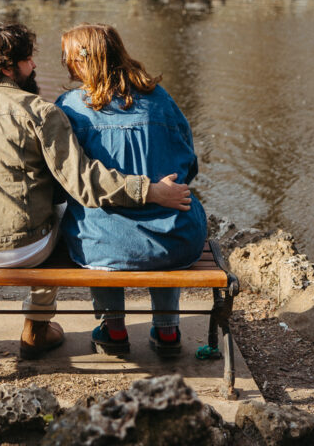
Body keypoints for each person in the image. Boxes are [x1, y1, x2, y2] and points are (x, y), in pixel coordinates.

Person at [0, 21, 191, 360]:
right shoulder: (40, 112)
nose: (35, 65)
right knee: (61, 209)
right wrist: (150, 190)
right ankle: (37, 326)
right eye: (28, 59)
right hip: (26, 248)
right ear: (7, 68)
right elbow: (81, 182)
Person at [56, 23, 207, 358]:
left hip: (103, 245)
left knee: (97, 220)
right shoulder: (160, 99)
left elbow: (67, 180)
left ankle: (114, 329)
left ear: (81, 62)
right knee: (172, 213)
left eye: (66, 56)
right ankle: (168, 332)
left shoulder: (69, 107)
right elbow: (189, 163)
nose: (64, 64)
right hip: (174, 242)